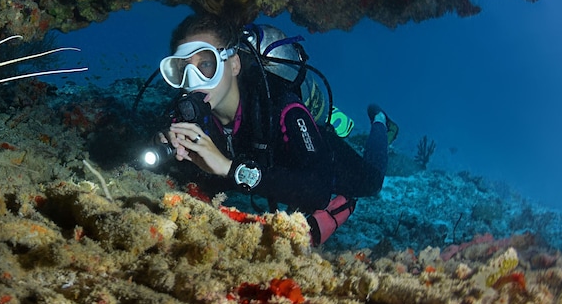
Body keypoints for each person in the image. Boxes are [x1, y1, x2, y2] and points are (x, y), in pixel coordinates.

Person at [154, 13, 397, 246]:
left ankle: (379, 121)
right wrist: (167, 149)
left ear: (234, 64)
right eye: (181, 69)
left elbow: (318, 190)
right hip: (266, 166)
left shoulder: (280, 105)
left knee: (371, 182)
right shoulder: (185, 116)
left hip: (305, 147)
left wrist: (230, 168)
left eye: (206, 63)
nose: (193, 79)